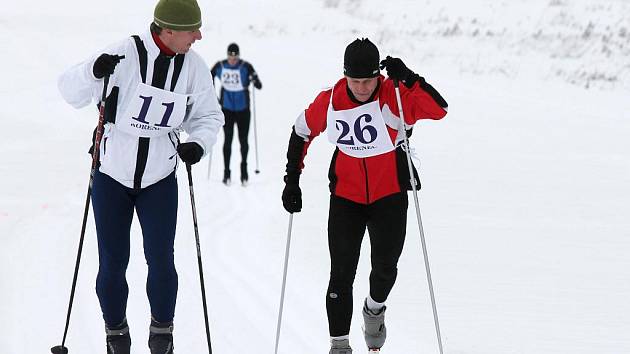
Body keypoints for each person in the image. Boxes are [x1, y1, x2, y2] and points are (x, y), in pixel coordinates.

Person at [57, 0, 224, 352]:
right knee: (113, 263)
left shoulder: (193, 67)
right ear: (168, 30)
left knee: (162, 260)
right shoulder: (123, 53)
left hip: (159, 179)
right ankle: (116, 333)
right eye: (192, 29)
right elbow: (69, 91)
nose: (198, 35)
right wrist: (92, 71)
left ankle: (162, 335)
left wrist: (200, 145)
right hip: (111, 176)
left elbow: (209, 117)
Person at [280, 38, 448, 354]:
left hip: (389, 196)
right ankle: (339, 345)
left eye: (367, 81)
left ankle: (374, 309)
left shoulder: (396, 96)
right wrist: (292, 180)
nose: (360, 88)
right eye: (354, 81)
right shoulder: (331, 100)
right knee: (341, 274)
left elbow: (439, 110)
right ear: (345, 76)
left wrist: (410, 77)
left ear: (378, 76)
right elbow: (301, 130)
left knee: (385, 269)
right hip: (346, 197)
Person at [211, 43, 262, 186]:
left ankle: (244, 171)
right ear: (227, 55)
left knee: (243, 141)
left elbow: (259, 85)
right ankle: (226, 173)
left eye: (235, 57)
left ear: (238, 56)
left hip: (243, 110)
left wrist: (254, 80)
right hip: (226, 109)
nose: (233, 59)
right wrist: (214, 96)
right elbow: (208, 77)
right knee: (227, 140)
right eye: (230, 56)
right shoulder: (220, 65)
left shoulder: (246, 66)